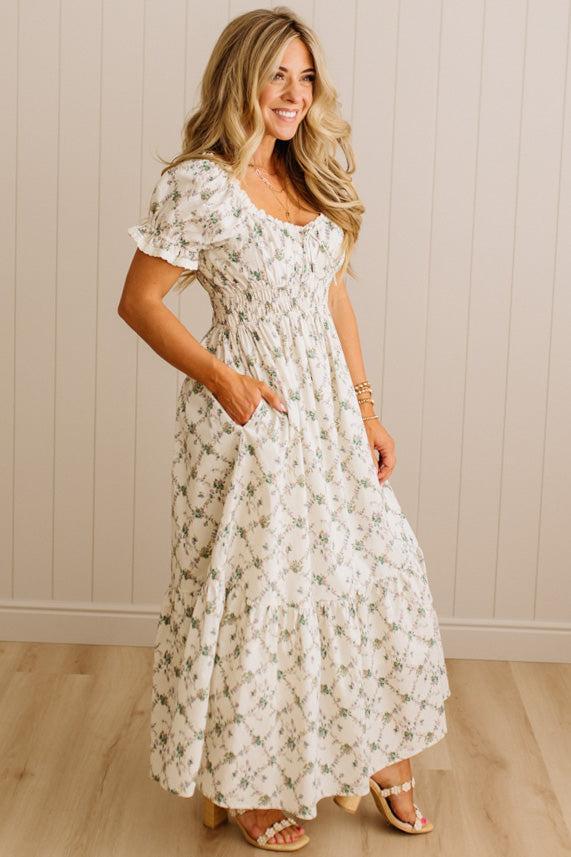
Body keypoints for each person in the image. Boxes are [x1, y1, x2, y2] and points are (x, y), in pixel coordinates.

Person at [118, 6, 451, 852]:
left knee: (369, 569)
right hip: (250, 415)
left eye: (304, 77)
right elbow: (140, 302)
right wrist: (221, 376)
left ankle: (372, 750)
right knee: (264, 596)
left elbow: (332, 292)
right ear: (242, 79)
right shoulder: (202, 184)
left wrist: (367, 406)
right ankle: (245, 779)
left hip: (330, 412)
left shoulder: (310, 175)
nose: (293, 94)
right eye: (277, 75)